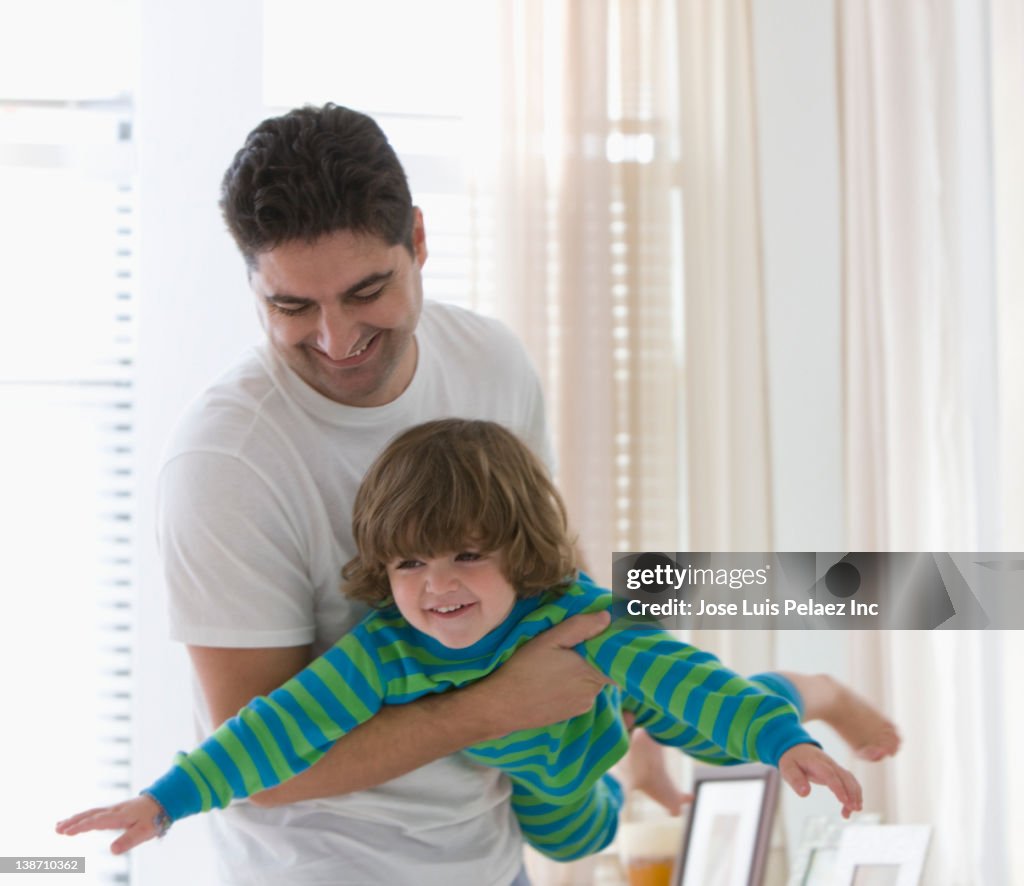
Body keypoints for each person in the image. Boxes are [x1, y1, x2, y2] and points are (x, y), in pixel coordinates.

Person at [138, 102, 613, 886]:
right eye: (291, 306)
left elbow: (549, 574)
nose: (335, 338)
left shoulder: (491, 362)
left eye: (366, 291)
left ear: (418, 242)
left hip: (495, 865)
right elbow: (261, 765)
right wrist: (494, 707)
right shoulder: (225, 463)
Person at [58, 419, 869, 863]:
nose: (436, 587)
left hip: (607, 695)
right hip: (552, 773)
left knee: (705, 721)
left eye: (467, 557)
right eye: (410, 564)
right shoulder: (387, 652)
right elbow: (277, 728)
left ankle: (806, 695)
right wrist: (166, 801)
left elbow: (697, 679)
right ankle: (642, 771)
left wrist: (779, 740)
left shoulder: (576, 615)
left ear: (518, 550)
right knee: (575, 833)